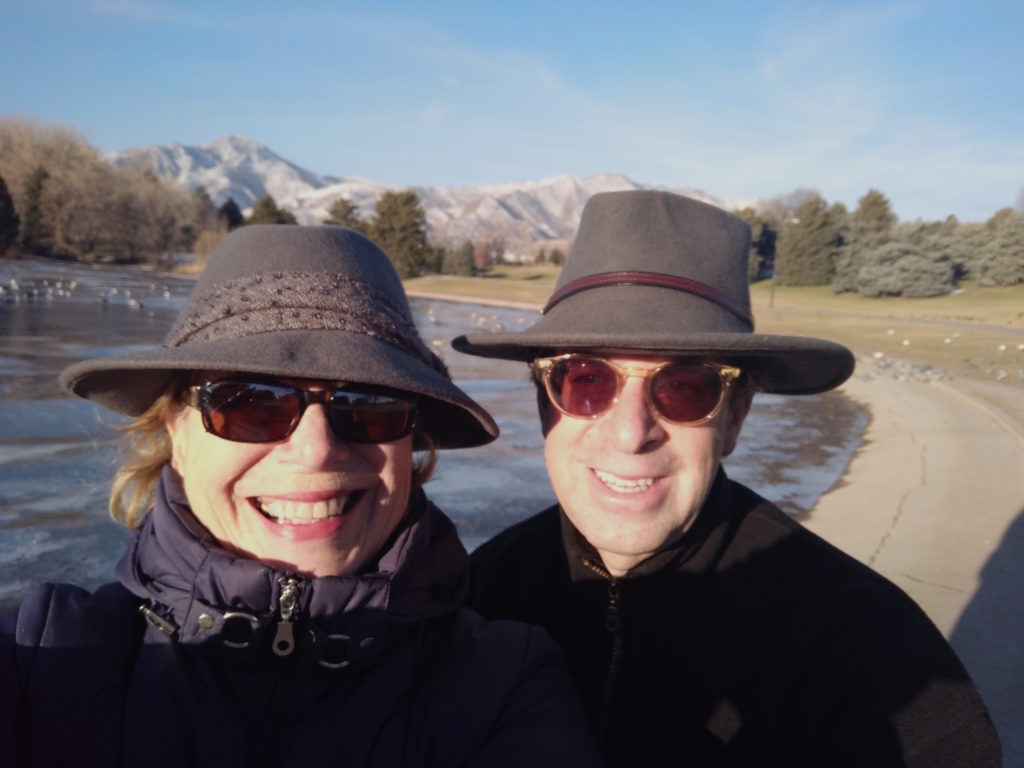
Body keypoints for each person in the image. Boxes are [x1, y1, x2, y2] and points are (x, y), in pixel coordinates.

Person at [0, 225, 602, 767]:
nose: (316, 450)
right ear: (175, 434)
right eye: (250, 403)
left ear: (412, 444)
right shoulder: (42, 656)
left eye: (369, 405)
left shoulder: (504, 685)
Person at [454, 190, 1001, 767]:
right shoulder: (473, 601)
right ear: (546, 406)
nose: (631, 433)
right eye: (586, 380)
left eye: (685, 387)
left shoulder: (875, 657)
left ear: (736, 416)